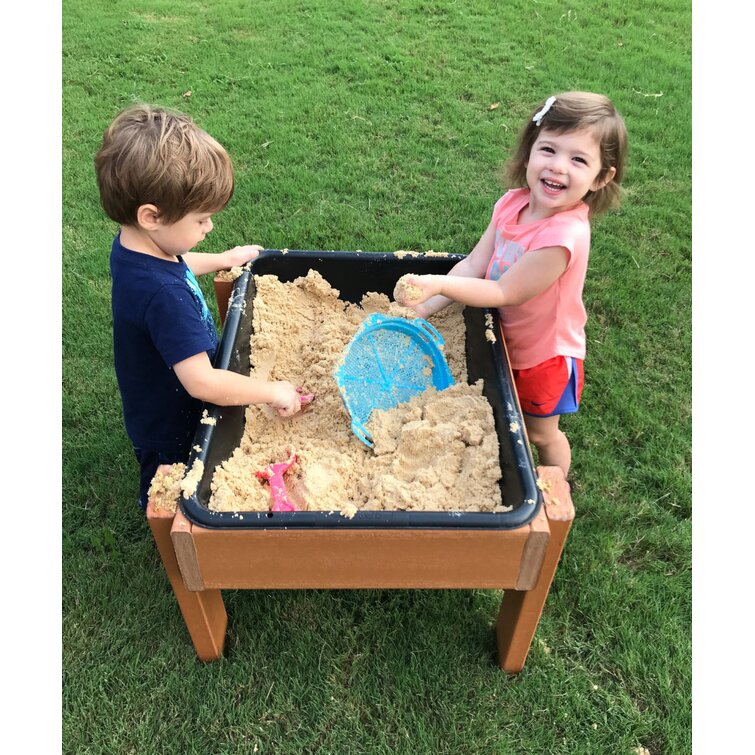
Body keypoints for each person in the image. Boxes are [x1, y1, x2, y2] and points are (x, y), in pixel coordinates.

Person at [393, 92, 627, 478]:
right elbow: (474, 264)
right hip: (507, 335)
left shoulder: (563, 237)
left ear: (601, 177)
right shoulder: (510, 204)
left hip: (542, 357)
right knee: (504, 409)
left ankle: (554, 487)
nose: (558, 167)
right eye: (548, 149)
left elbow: (504, 291)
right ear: (529, 151)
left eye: (578, 159)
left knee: (539, 431)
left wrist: (435, 282)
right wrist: (424, 310)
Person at [95, 103, 304, 509]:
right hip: (171, 421)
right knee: (173, 489)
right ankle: (170, 535)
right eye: (202, 220)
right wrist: (270, 390)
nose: (209, 228)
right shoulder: (164, 299)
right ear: (152, 216)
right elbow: (203, 383)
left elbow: (179, 267)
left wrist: (221, 260)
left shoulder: (136, 249)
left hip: (162, 395)